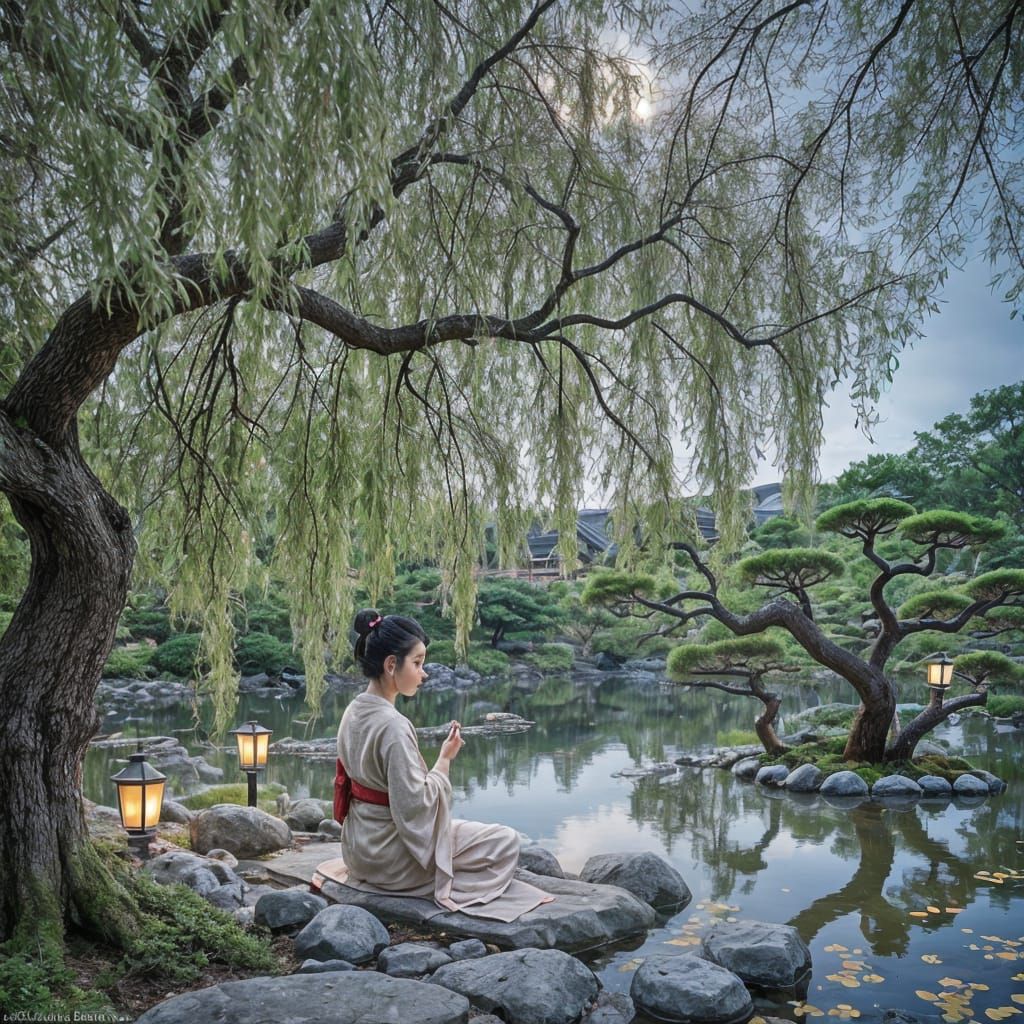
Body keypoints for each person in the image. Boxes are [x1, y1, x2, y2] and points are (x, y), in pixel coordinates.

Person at [315, 608, 551, 920]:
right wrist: (444, 761)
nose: (423, 673)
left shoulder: (353, 710)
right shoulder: (393, 726)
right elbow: (416, 808)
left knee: (472, 836)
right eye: (417, 662)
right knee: (504, 840)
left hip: (359, 852)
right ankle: (432, 881)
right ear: (390, 665)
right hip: (392, 861)